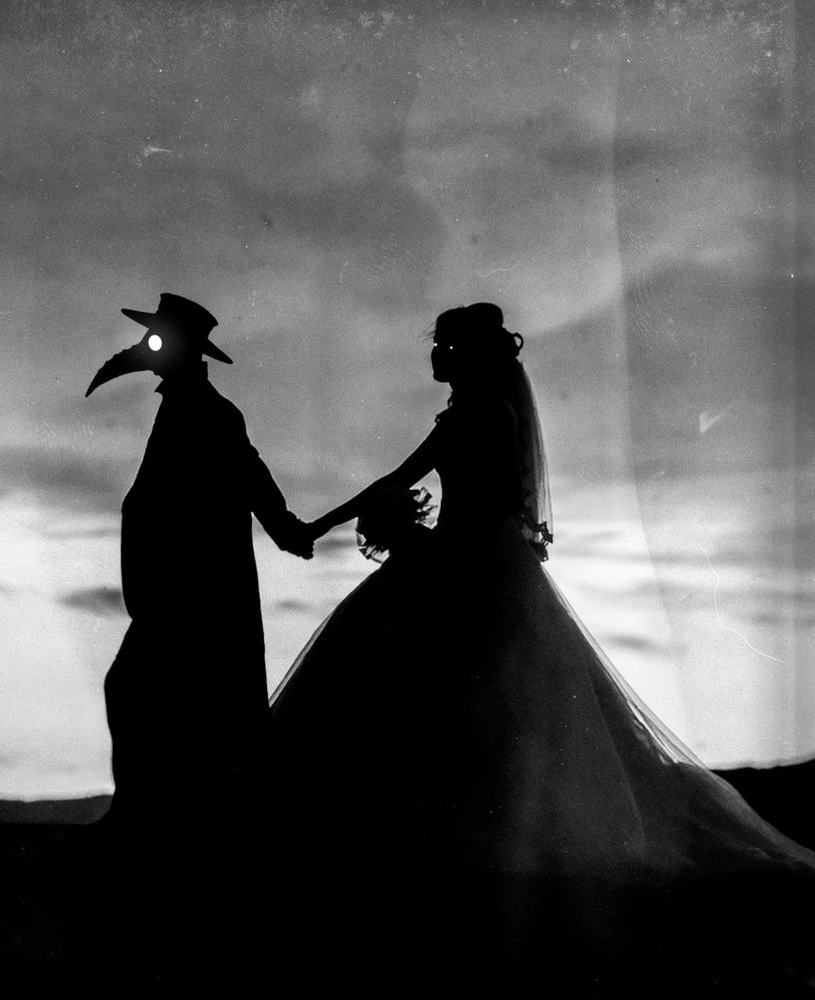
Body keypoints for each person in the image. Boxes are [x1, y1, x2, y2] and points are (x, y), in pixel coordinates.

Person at [271, 303, 815, 992]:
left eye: (445, 346)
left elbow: (402, 482)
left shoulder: (477, 416)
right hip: (477, 561)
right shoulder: (486, 412)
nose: (436, 355)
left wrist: (317, 525)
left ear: (467, 355)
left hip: (469, 567)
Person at [85, 293, 311, 904]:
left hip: (196, 591)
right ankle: (155, 819)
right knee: (159, 699)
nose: (149, 348)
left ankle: (154, 822)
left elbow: (250, 474)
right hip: (175, 587)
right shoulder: (187, 407)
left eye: (159, 339)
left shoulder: (212, 412)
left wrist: (286, 528)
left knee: (148, 693)